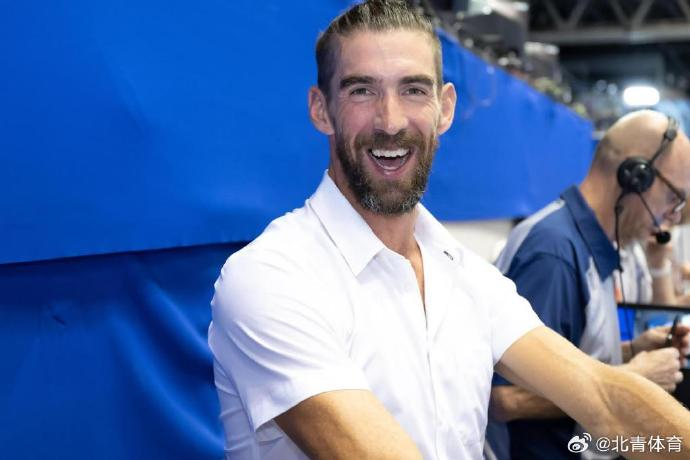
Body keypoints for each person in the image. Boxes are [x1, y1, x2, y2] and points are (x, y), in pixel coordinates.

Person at [208, 2, 690, 459]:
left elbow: (603, 398)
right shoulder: (271, 278)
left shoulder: (465, 276)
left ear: (445, 108)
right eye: (362, 91)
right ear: (320, 109)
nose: (390, 121)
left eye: (413, 90)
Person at [491, 110, 690, 459]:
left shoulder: (591, 246)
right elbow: (503, 399)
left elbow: (561, 360)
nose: (671, 218)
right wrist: (631, 378)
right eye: (673, 198)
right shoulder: (554, 255)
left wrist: (632, 350)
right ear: (635, 178)